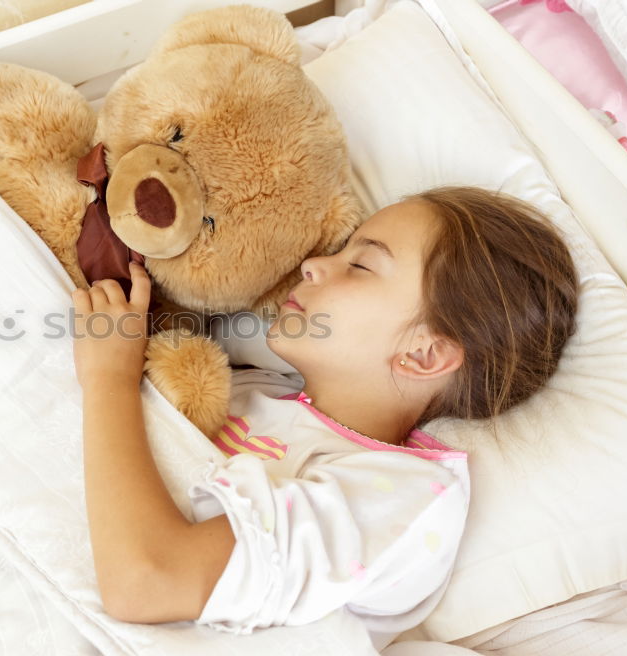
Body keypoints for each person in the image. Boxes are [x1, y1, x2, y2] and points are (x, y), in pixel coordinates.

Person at [70, 185, 579, 649]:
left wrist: (108, 379)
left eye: (361, 266)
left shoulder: (405, 498)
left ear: (424, 354)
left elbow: (146, 583)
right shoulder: (249, 387)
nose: (314, 263)